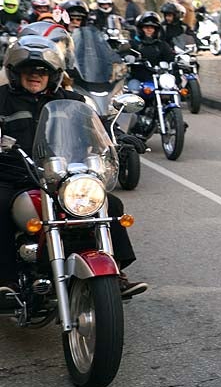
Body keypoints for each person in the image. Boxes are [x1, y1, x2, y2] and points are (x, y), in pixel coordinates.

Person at [0, 33, 145, 297]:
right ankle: (6, 280)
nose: (35, 75)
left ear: (54, 75)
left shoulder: (72, 100)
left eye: (43, 70)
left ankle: (115, 273)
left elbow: (97, 125)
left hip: (61, 178)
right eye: (28, 70)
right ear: (14, 73)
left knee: (109, 204)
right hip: (13, 177)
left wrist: (121, 138)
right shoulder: (2, 99)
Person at [126, 12, 174, 91]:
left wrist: (177, 60)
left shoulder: (162, 44)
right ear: (140, 29)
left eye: (152, 27)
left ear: (156, 30)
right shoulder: (134, 43)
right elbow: (123, 53)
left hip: (159, 78)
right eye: (146, 27)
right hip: (138, 78)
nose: (149, 29)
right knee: (134, 91)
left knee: (172, 89)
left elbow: (170, 57)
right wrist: (127, 57)